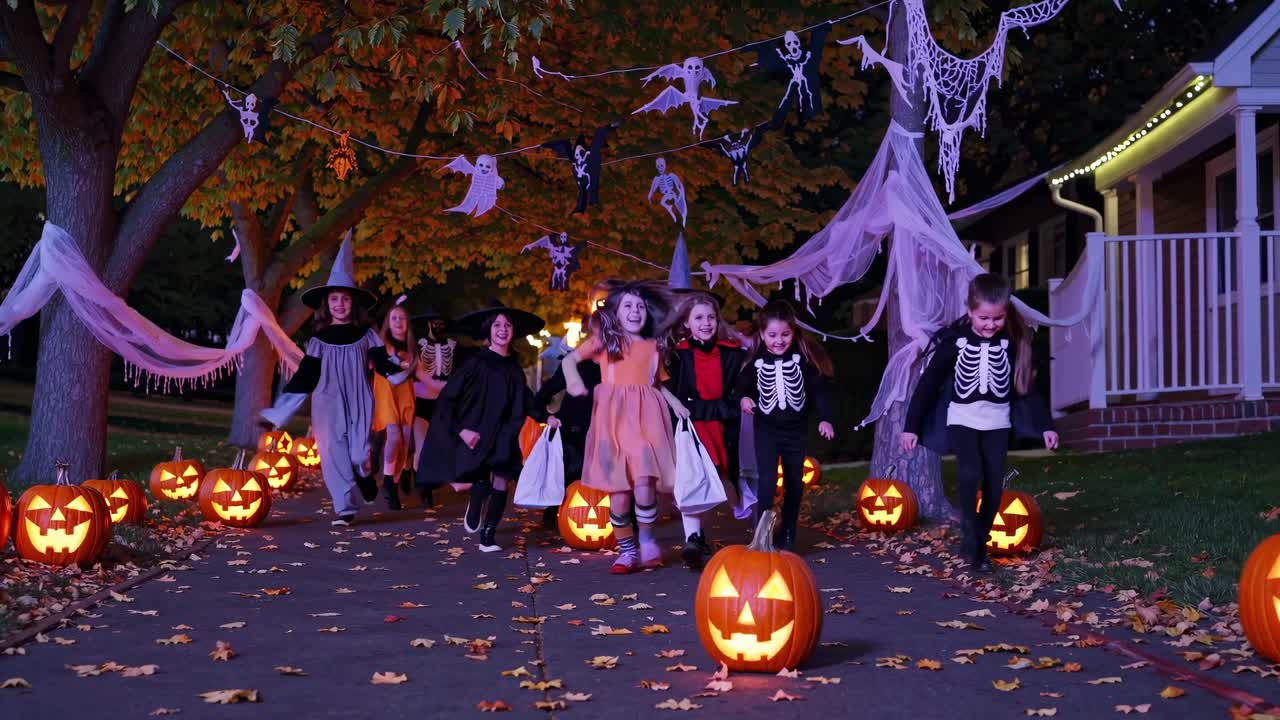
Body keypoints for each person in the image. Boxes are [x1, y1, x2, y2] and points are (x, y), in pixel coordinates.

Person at [901, 273, 1058, 574]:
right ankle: (973, 540)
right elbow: (927, 385)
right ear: (970, 311)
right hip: (962, 418)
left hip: (997, 422)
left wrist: (1046, 426)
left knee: (994, 487)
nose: (990, 324)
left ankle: (979, 543)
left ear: (1005, 314)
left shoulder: (1012, 345)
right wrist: (911, 426)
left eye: (997, 318)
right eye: (983, 318)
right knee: (969, 473)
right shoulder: (954, 344)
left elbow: (1028, 390)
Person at [261, 235, 411, 526]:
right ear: (326, 305)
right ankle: (345, 507)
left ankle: (364, 473)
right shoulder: (318, 341)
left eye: (344, 298)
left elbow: (382, 362)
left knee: (357, 453)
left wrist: (397, 370)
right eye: (334, 299)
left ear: (353, 303)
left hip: (359, 400)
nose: (339, 304)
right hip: (327, 403)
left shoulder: (366, 335)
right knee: (332, 454)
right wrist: (279, 412)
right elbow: (306, 376)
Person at [561, 280, 689, 574]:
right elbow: (569, 361)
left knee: (645, 483)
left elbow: (655, 383)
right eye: (628, 306)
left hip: (646, 419)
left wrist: (675, 403)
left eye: (640, 306)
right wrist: (574, 381)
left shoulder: (654, 347)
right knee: (619, 493)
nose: (635, 311)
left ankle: (646, 539)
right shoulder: (606, 342)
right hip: (614, 421)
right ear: (616, 313)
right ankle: (627, 551)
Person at [418, 301, 543, 552]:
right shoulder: (475, 363)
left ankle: (488, 534)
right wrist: (461, 429)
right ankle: (476, 501)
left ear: (513, 331)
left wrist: (547, 416)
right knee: (481, 480)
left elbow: (526, 398)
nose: (503, 329)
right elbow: (449, 398)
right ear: (488, 330)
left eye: (507, 324)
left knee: (502, 479)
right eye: (497, 324)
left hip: (506, 432)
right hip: (477, 430)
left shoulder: (514, 368)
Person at [735, 300, 834, 551]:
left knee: (794, 483)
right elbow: (739, 388)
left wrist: (825, 418)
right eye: (772, 335)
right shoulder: (755, 362)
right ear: (762, 334)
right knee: (767, 483)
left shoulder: (803, 361)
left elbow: (820, 390)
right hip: (766, 431)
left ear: (793, 333)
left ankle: (788, 531)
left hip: (795, 432)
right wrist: (744, 398)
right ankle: (761, 534)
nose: (778, 340)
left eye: (785, 334)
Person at [666, 291, 747, 568]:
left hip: (719, 421)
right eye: (699, 317)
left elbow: (740, 383)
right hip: (691, 421)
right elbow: (664, 387)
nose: (706, 322)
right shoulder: (678, 355)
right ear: (686, 323)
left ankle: (699, 536)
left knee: (716, 481)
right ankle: (692, 537)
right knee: (694, 478)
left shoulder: (731, 352)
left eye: (711, 317)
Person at [532, 357, 601, 529]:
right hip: (575, 430)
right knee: (571, 473)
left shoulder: (619, 363)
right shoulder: (577, 363)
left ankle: (624, 517)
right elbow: (543, 394)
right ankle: (555, 515)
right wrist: (546, 416)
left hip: (606, 431)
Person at [372, 299, 418, 510]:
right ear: (388, 322)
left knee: (405, 442)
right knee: (394, 436)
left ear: (407, 323)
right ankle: (388, 481)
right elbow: (387, 372)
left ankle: (395, 481)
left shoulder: (412, 349)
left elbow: (420, 375)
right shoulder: (381, 345)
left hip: (405, 394)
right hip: (386, 391)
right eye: (394, 318)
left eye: (402, 318)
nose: (398, 321)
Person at [411, 306, 457, 507]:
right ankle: (424, 486)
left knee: (439, 445)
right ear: (429, 323)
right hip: (421, 400)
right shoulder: (419, 345)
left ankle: (428, 480)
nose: (439, 325)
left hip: (443, 402)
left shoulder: (453, 346)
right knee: (421, 447)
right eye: (435, 321)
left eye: (442, 322)